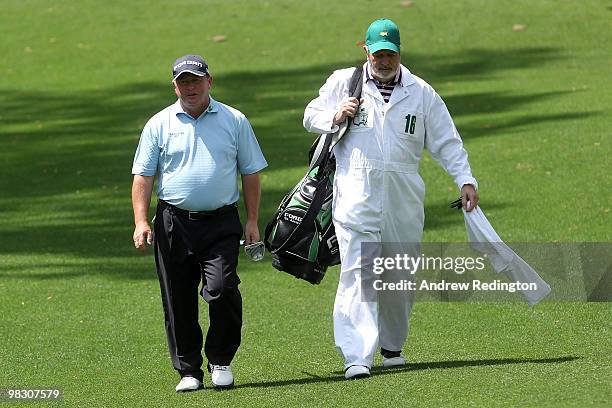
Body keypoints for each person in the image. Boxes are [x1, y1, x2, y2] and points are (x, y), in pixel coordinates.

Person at [303, 19, 479, 379]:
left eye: (391, 54)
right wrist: (335, 115)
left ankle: (392, 346)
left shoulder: (421, 92)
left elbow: (447, 140)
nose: (384, 61)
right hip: (356, 193)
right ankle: (356, 356)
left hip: (403, 197)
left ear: (400, 52)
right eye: (378, 53)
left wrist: (465, 179)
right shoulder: (344, 82)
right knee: (359, 272)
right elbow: (310, 116)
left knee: (399, 271)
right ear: (365, 50)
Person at [131, 54, 267, 391]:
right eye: (183, 82)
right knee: (178, 298)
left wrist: (252, 221)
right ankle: (189, 371)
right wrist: (141, 221)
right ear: (174, 85)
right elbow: (143, 177)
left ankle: (220, 359)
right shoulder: (159, 124)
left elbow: (250, 172)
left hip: (221, 222)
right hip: (172, 222)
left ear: (209, 81)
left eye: (196, 80)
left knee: (221, 289)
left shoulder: (234, 120)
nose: (190, 87)